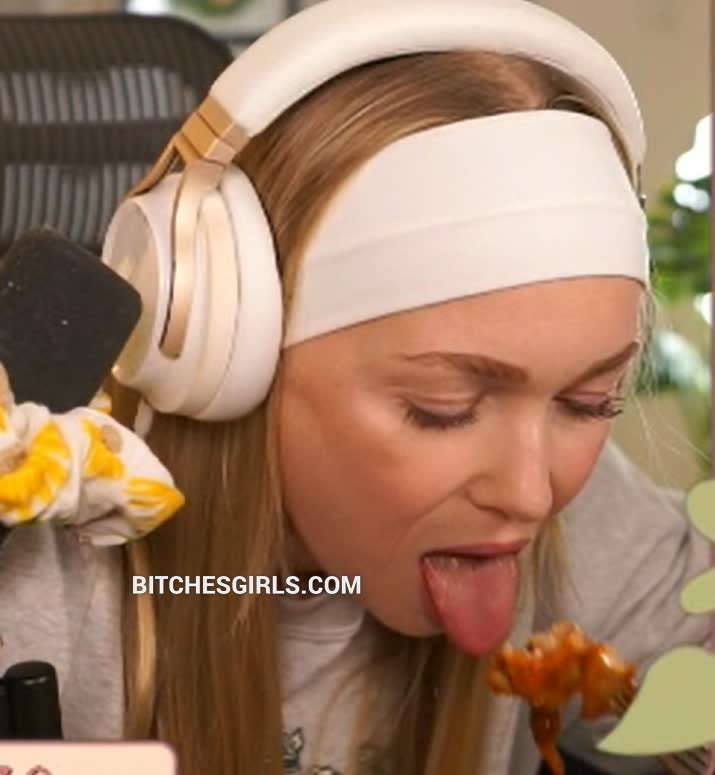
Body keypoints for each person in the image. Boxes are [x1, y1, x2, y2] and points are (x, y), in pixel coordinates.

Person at [0, 1, 708, 774]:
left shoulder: (578, 513)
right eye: (443, 409)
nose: (531, 493)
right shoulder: (36, 582)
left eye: (587, 402)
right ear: (227, 352)